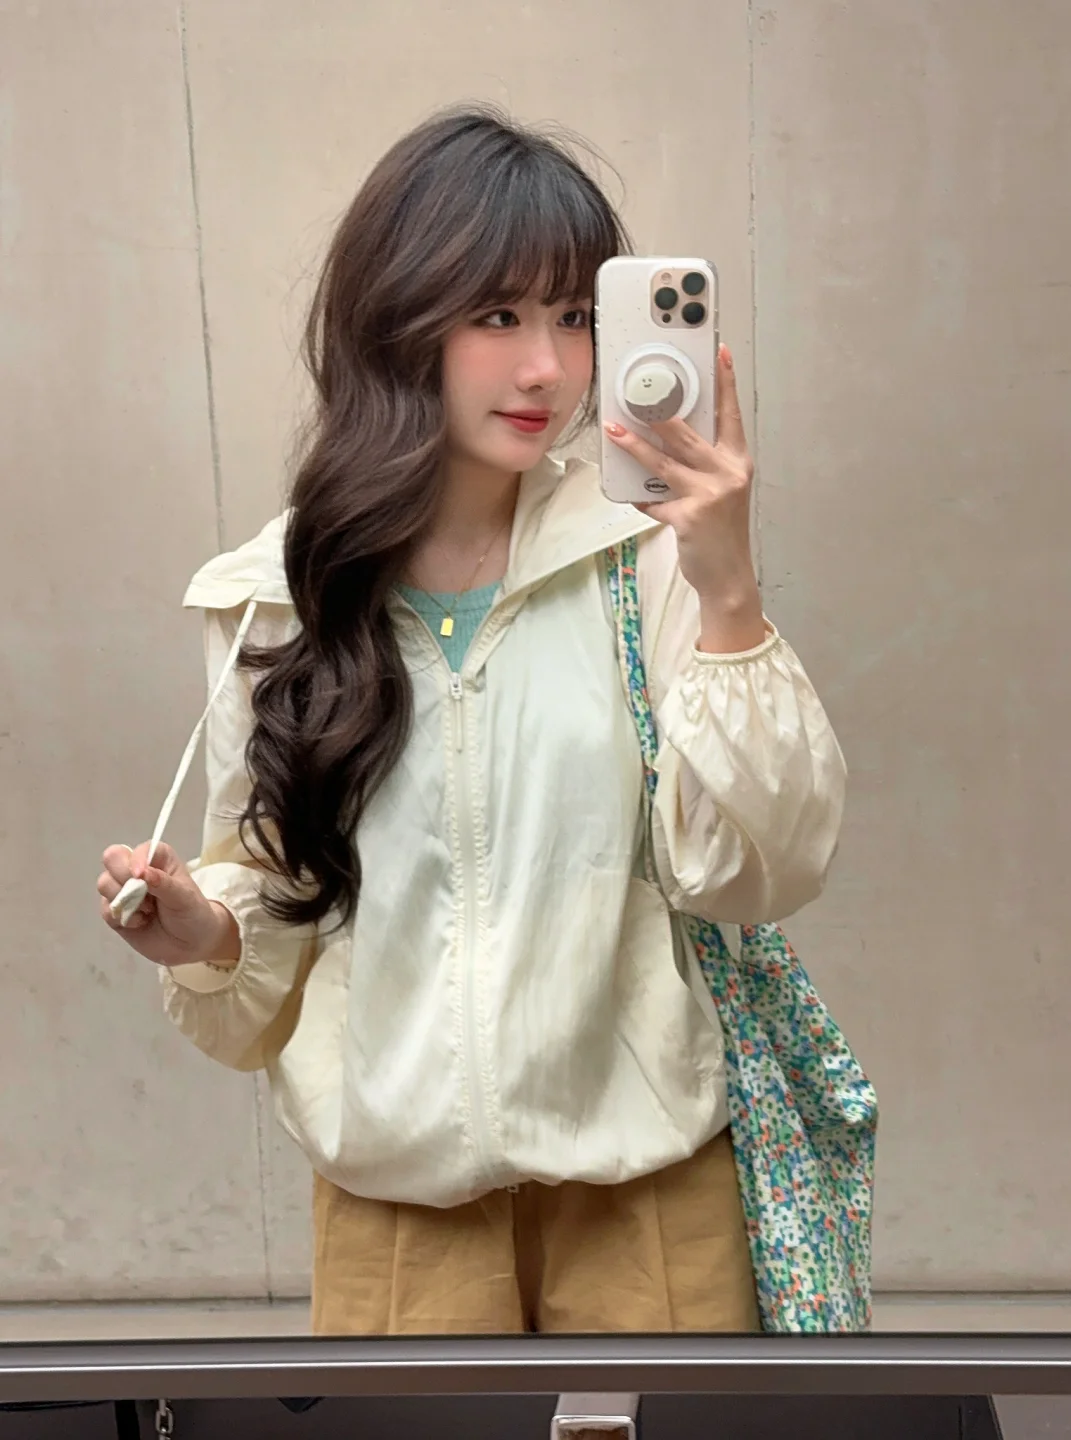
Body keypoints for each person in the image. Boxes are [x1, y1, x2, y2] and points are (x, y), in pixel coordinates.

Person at [96, 104, 846, 1336]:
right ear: (397, 321)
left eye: (573, 316)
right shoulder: (277, 599)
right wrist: (204, 931)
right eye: (496, 316)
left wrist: (727, 590)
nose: (547, 367)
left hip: (646, 1202)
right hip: (400, 1221)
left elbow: (761, 870)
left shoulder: (644, 564)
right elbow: (276, 899)